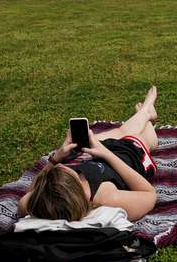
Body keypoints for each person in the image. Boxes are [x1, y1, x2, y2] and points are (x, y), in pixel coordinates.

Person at [18, 86, 160, 222]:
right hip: (128, 157)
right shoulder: (106, 198)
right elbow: (150, 195)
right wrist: (107, 154)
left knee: (113, 134)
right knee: (138, 138)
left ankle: (144, 112)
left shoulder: (36, 204)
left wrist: (56, 158)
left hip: (97, 155)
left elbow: (34, 191)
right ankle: (146, 113)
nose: (61, 165)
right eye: (64, 169)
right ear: (77, 185)